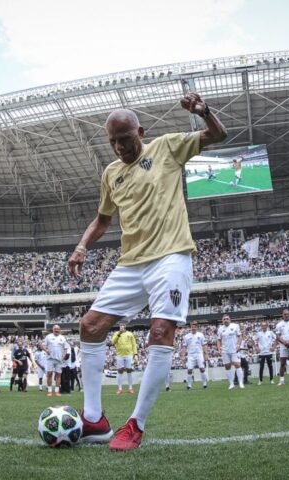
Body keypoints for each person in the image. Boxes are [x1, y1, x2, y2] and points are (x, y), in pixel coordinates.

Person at [66, 93, 227, 450]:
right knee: (89, 326)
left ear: (140, 131)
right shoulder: (111, 174)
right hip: (130, 263)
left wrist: (205, 113)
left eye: (125, 138)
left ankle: (135, 425)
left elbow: (217, 136)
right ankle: (94, 420)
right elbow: (103, 219)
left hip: (170, 256)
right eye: (112, 141)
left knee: (160, 328)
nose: (119, 147)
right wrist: (81, 247)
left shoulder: (167, 148)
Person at [217, 314, 245, 390]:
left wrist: (239, 345)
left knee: (237, 365)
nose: (226, 320)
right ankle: (231, 384)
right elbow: (219, 340)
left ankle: (241, 383)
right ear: (222, 321)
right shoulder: (220, 329)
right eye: (224, 319)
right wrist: (219, 349)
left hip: (234, 349)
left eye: (227, 319)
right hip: (225, 350)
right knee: (227, 366)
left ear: (230, 319)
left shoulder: (235, 326)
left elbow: (240, 336)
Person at [43, 324, 70, 397]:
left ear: (60, 330)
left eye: (58, 329)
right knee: (49, 374)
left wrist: (64, 356)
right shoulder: (48, 337)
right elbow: (43, 345)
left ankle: (57, 391)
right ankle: (49, 391)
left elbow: (65, 348)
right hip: (50, 359)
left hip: (59, 359)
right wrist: (46, 350)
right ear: (53, 329)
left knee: (58, 375)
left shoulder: (62, 338)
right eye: (55, 329)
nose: (56, 330)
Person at [110, 324, 137, 395]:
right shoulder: (116, 333)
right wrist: (119, 333)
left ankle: (130, 388)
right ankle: (119, 389)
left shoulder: (130, 334)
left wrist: (135, 354)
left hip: (129, 354)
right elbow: (112, 342)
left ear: (125, 326)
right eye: (120, 325)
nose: (121, 326)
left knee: (129, 370)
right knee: (120, 371)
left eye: (123, 325)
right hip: (120, 355)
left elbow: (134, 344)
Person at [181, 322, 209, 390]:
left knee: (202, 369)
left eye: (195, 326)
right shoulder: (186, 336)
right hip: (191, 355)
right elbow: (184, 346)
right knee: (189, 370)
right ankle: (189, 385)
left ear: (197, 327)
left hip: (199, 354)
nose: (193, 328)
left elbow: (204, 345)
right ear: (190, 327)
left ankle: (204, 384)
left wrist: (206, 354)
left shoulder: (201, 335)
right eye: (192, 326)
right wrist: (183, 356)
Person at [254, 321, 276, 385]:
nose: (263, 327)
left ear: (267, 326)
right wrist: (256, 348)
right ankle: (260, 380)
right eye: (262, 325)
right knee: (261, 367)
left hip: (269, 352)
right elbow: (253, 340)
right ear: (261, 326)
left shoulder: (270, 333)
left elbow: (276, 339)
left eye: (265, 325)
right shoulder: (258, 333)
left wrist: (274, 347)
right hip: (261, 353)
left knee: (270, 366)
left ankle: (271, 380)